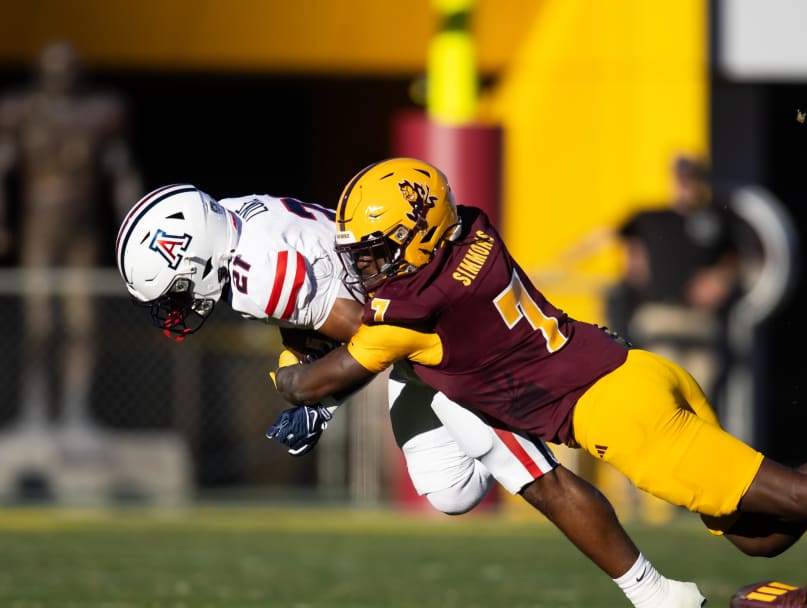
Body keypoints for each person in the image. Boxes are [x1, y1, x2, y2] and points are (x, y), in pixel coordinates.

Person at [271, 157, 807, 561]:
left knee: (785, 496)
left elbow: (325, 379)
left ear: (416, 233)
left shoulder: (415, 308)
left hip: (617, 416)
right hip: (637, 369)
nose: (366, 264)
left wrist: (277, 334)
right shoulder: (471, 224)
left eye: (374, 248)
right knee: (760, 537)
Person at [114, 184, 706, 608]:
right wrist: (302, 373)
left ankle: (655, 592)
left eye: (175, 289)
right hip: (409, 323)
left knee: (518, 465)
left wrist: (308, 393)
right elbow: (308, 314)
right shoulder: (240, 220)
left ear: (193, 256)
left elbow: (373, 338)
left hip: (436, 337)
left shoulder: (256, 274)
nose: (176, 305)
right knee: (447, 490)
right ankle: (530, 396)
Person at [0, 41, 141, 437]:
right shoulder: (21, 112)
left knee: (83, 320)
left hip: (82, 228)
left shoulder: (99, 114)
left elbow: (121, 170)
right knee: (39, 320)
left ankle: (75, 411)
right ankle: (35, 410)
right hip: (39, 225)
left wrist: (131, 227)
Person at [608, 154, 741, 403]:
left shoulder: (715, 218)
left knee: (701, 398)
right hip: (661, 316)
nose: (685, 185)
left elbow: (735, 261)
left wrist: (720, 279)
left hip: (700, 321)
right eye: (681, 179)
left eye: (691, 179)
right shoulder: (651, 217)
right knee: (663, 392)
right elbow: (610, 237)